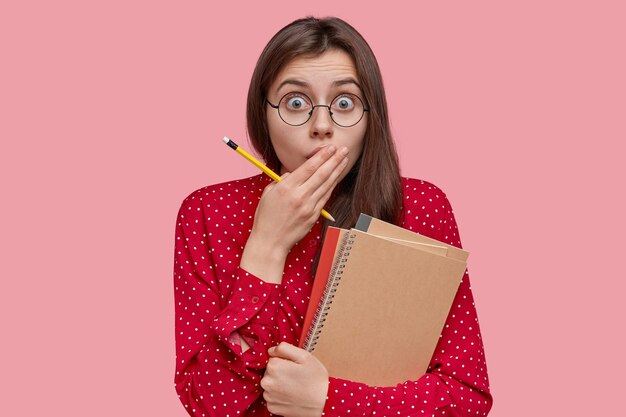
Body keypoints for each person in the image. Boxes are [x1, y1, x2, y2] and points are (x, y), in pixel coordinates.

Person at [173, 16, 493, 417]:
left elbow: (466, 398)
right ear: (263, 112)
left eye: (344, 103)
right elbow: (207, 404)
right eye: (295, 103)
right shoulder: (207, 212)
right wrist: (265, 246)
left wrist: (328, 399)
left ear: (370, 114)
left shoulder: (422, 205)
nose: (322, 126)